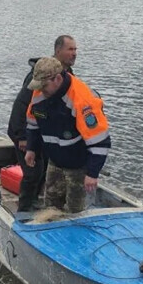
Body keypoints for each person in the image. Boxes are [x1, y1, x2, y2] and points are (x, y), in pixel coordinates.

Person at [24, 57, 111, 213]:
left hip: (78, 165)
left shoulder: (82, 99)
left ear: (57, 78)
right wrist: (31, 148)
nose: (41, 91)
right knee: (50, 205)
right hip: (55, 161)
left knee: (75, 210)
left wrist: (92, 173)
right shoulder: (40, 92)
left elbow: (100, 141)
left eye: (45, 86)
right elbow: (33, 123)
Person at [7, 35, 78, 211]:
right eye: (70, 49)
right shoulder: (40, 76)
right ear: (58, 51)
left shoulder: (67, 75)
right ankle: (24, 210)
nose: (74, 53)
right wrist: (22, 137)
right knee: (33, 172)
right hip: (26, 132)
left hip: (45, 132)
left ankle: (36, 201)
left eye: (75, 49)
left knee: (46, 168)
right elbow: (21, 106)